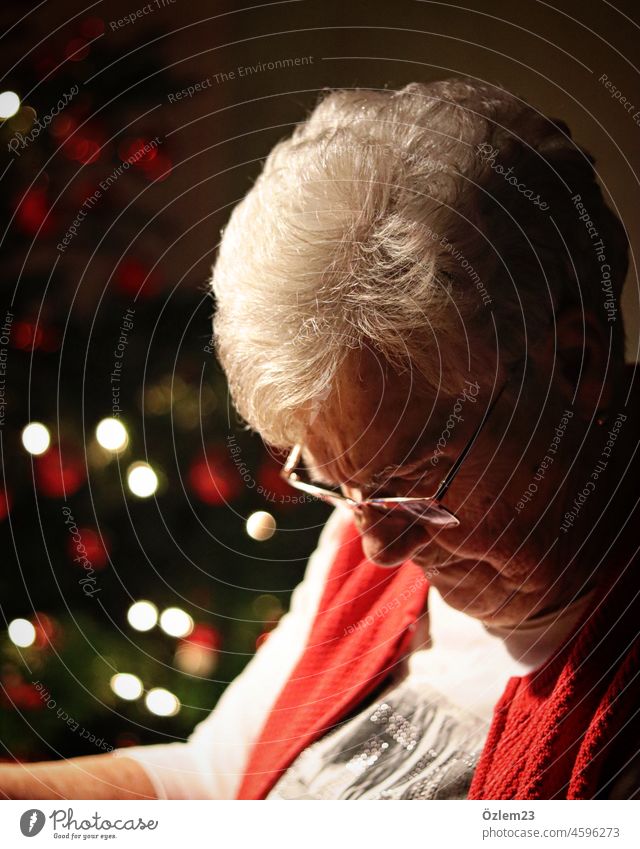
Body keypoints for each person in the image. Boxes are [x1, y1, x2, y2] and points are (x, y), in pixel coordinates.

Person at [1, 77, 638, 800]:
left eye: (416, 482)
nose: (377, 547)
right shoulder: (367, 536)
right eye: (333, 480)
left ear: (577, 363)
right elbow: (218, 781)